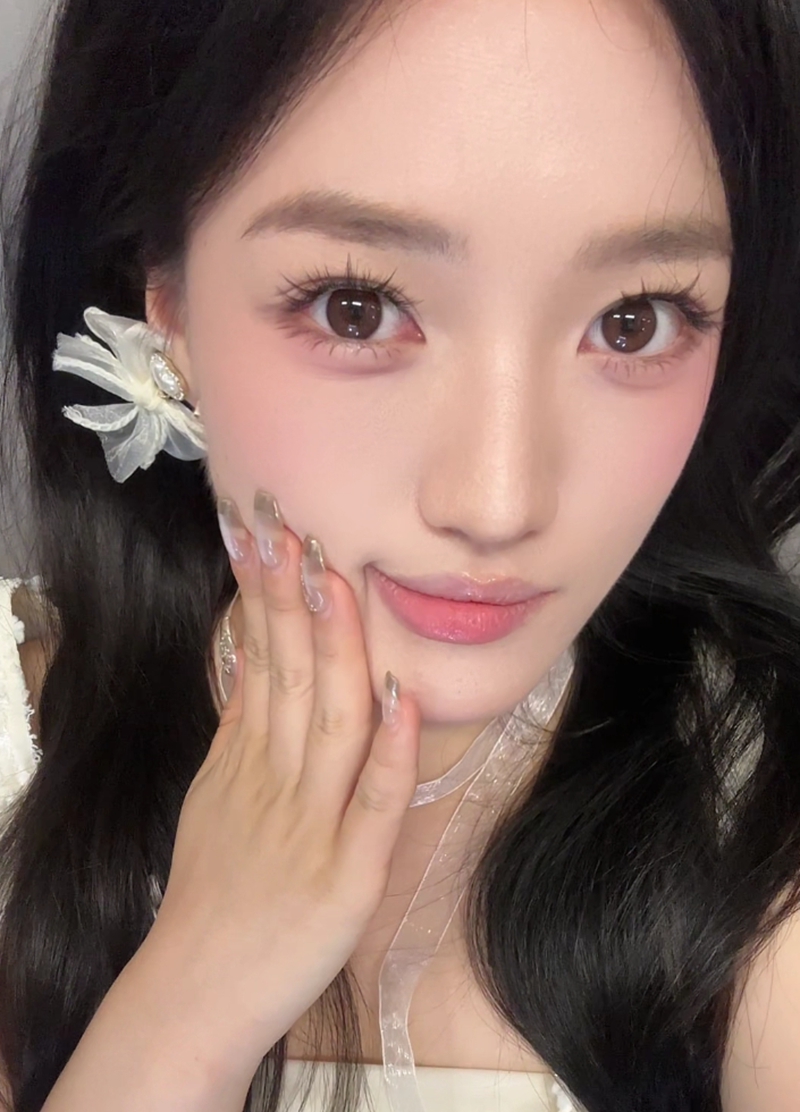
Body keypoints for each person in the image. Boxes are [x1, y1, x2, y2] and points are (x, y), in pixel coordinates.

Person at [0, 0, 799, 1108]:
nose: (498, 503)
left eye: (634, 320)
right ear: (165, 300)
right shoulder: (20, 742)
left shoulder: (753, 808)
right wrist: (188, 997)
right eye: (358, 308)